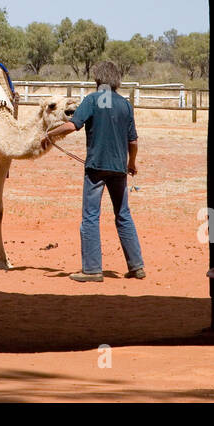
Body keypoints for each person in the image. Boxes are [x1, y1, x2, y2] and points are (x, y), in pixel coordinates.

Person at [42, 60, 144, 282]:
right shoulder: (125, 105)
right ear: (116, 80)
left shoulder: (92, 100)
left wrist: (49, 134)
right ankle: (136, 266)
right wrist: (132, 163)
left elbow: (72, 125)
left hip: (96, 169)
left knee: (90, 217)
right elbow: (133, 141)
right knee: (123, 214)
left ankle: (92, 270)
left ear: (98, 79)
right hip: (119, 169)